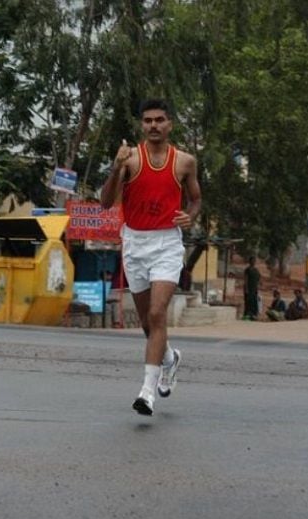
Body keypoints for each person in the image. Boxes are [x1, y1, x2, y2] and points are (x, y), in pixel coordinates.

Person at [99, 98, 201, 416]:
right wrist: (116, 166)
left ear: (170, 124)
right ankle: (169, 358)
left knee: (158, 314)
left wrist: (191, 216)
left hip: (167, 244)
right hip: (134, 242)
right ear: (141, 125)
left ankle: (146, 393)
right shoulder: (129, 160)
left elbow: (196, 199)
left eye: (159, 120)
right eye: (148, 121)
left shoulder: (185, 161)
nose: (153, 125)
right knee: (146, 322)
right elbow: (105, 203)